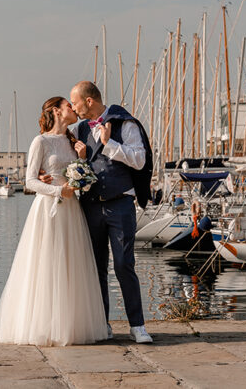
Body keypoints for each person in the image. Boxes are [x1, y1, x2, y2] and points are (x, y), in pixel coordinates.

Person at [0, 96, 108, 346]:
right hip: (48, 208)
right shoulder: (40, 141)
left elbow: (82, 175)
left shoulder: (74, 141)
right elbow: (30, 181)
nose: (73, 109)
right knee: (46, 264)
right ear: (56, 111)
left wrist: (83, 161)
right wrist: (58, 191)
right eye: (69, 106)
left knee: (71, 265)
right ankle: (43, 325)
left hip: (71, 210)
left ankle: (71, 326)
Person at [69, 80, 154, 344]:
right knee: (96, 268)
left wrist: (109, 144)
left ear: (89, 101)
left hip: (120, 204)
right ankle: (101, 324)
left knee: (123, 264)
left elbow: (140, 161)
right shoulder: (80, 129)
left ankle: (137, 325)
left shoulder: (125, 123)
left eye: (76, 102)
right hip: (90, 205)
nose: (74, 108)